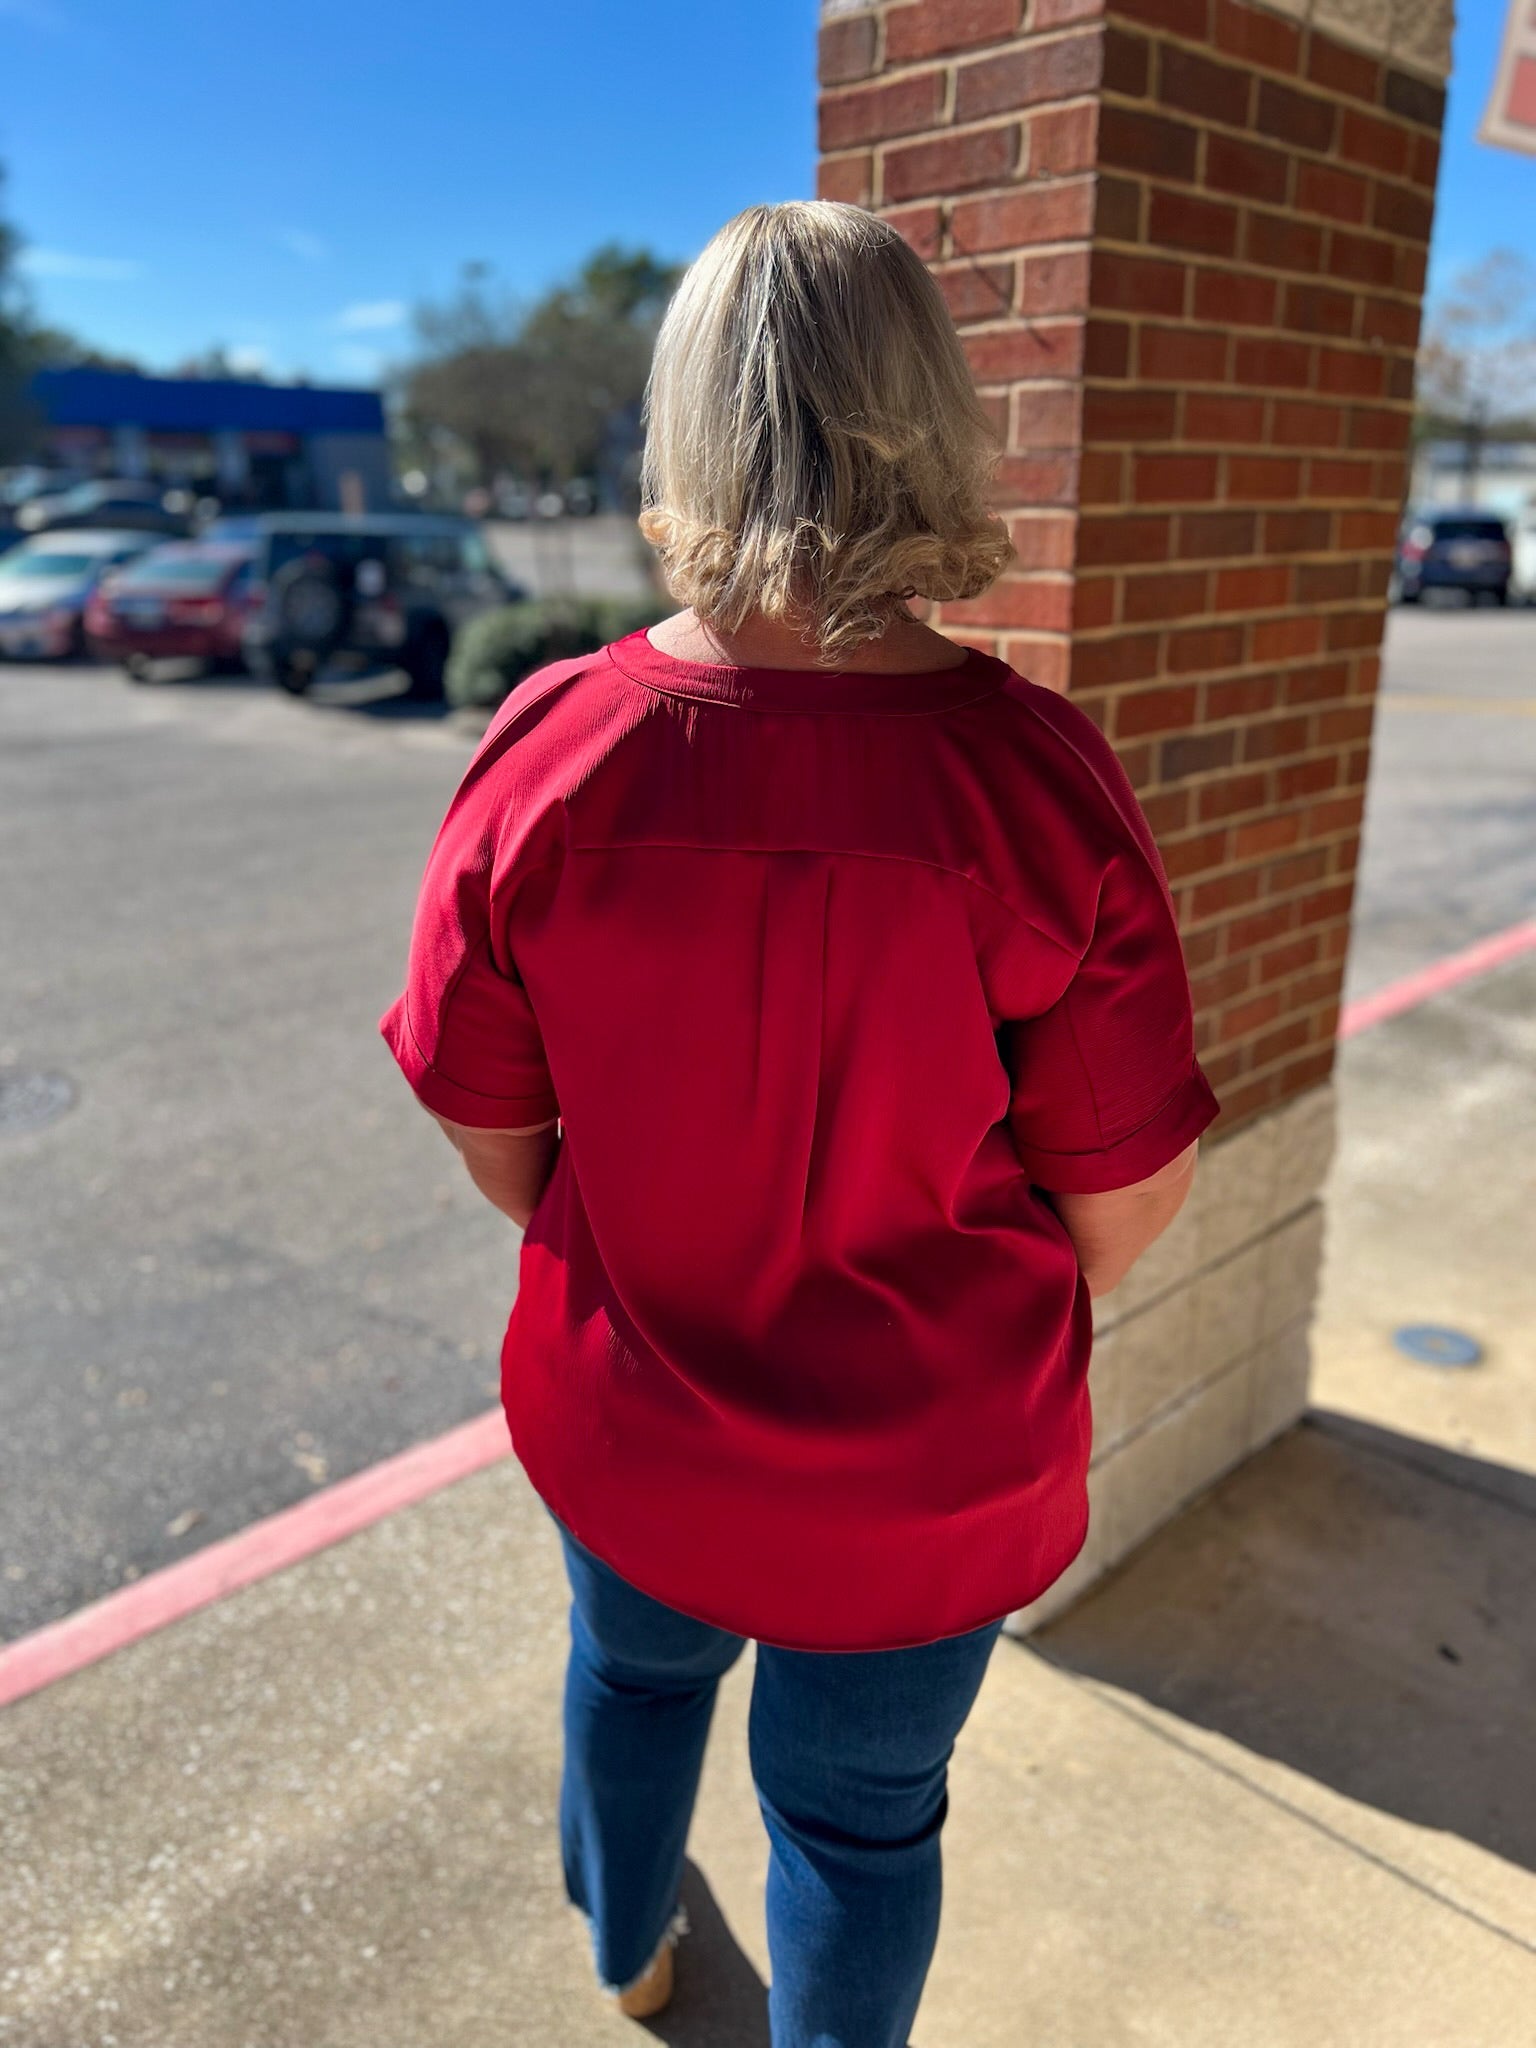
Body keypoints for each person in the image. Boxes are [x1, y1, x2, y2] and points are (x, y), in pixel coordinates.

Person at [380, 200, 1218, 2048]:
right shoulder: (1033, 782)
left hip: (638, 1419)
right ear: (928, 413)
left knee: (629, 1676)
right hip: (926, 1476)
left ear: (691, 425)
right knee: (856, 1826)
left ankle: (624, 1946)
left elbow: (497, 1137)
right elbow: (1126, 1197)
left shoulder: (553, 748)